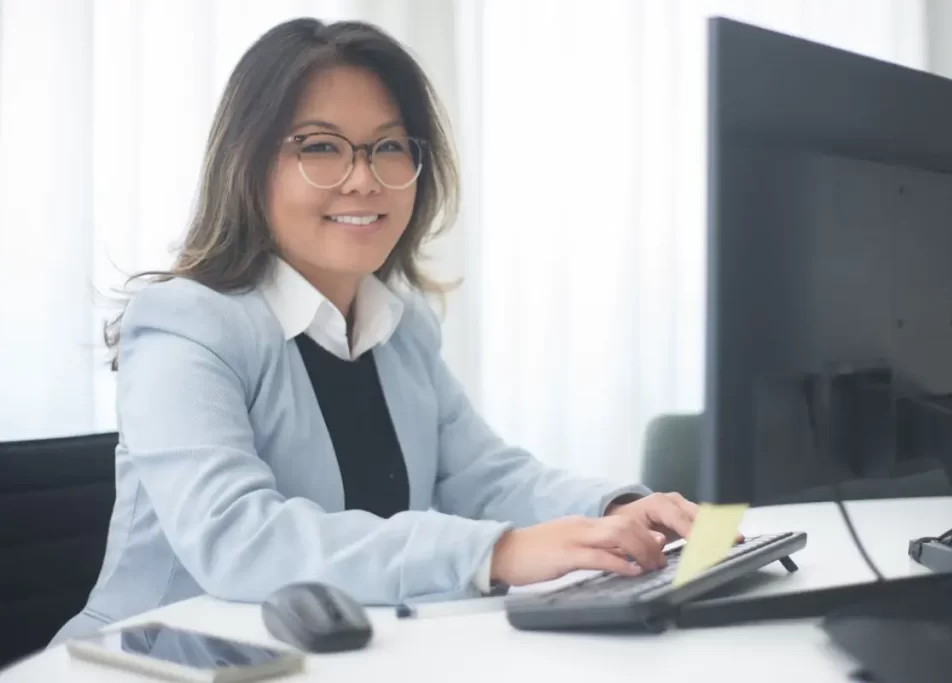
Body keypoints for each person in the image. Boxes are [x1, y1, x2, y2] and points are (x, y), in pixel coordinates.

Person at [52, 18, 703, 644]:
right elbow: (239, 538)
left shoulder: (401, 324)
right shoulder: (185, 325)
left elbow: (487, 476)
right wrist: (497, 552)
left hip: (335, 656)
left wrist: (613, 509)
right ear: (248, 163)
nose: (363, 178)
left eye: (389, 147)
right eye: (320, 146)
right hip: (162, 657)